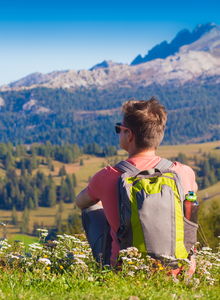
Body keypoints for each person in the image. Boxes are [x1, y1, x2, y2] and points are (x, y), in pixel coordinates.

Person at [75, 97, 198, 268]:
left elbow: (80, 202)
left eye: (119, 128)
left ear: (129, 134)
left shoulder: (107, 176)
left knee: (91, 208)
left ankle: (110, 265)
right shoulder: (183, 172)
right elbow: (194, 189)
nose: (118, 132)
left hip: (126, 270)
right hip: (180, 270)